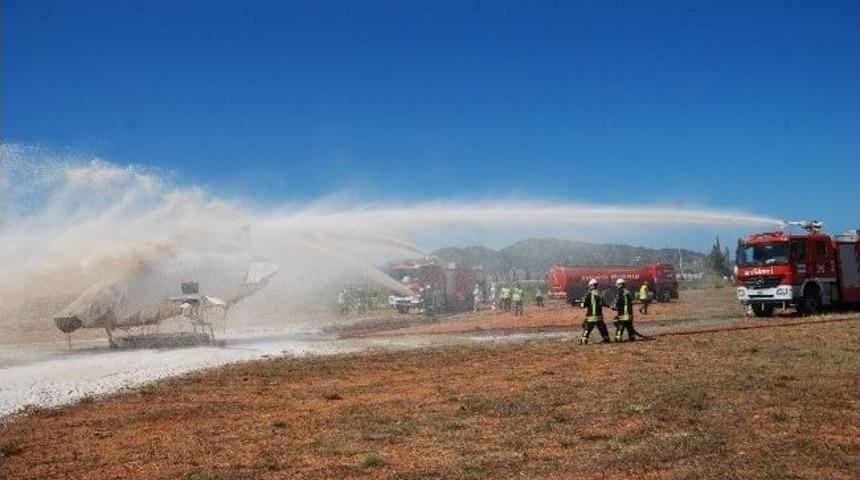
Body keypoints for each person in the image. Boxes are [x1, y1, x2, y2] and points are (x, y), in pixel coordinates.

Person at [579, 279, 611, 344]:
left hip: (591, 316)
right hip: (599, 316)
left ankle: (584, 339)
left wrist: (580, 304)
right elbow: (604, 303)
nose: (589, 287)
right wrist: (609, 306)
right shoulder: (600, 294)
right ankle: (606, 338)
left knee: (588, 328)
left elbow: (584, 305)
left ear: (593, 286)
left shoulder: (589, 294)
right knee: (602, 328)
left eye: (590, 286)